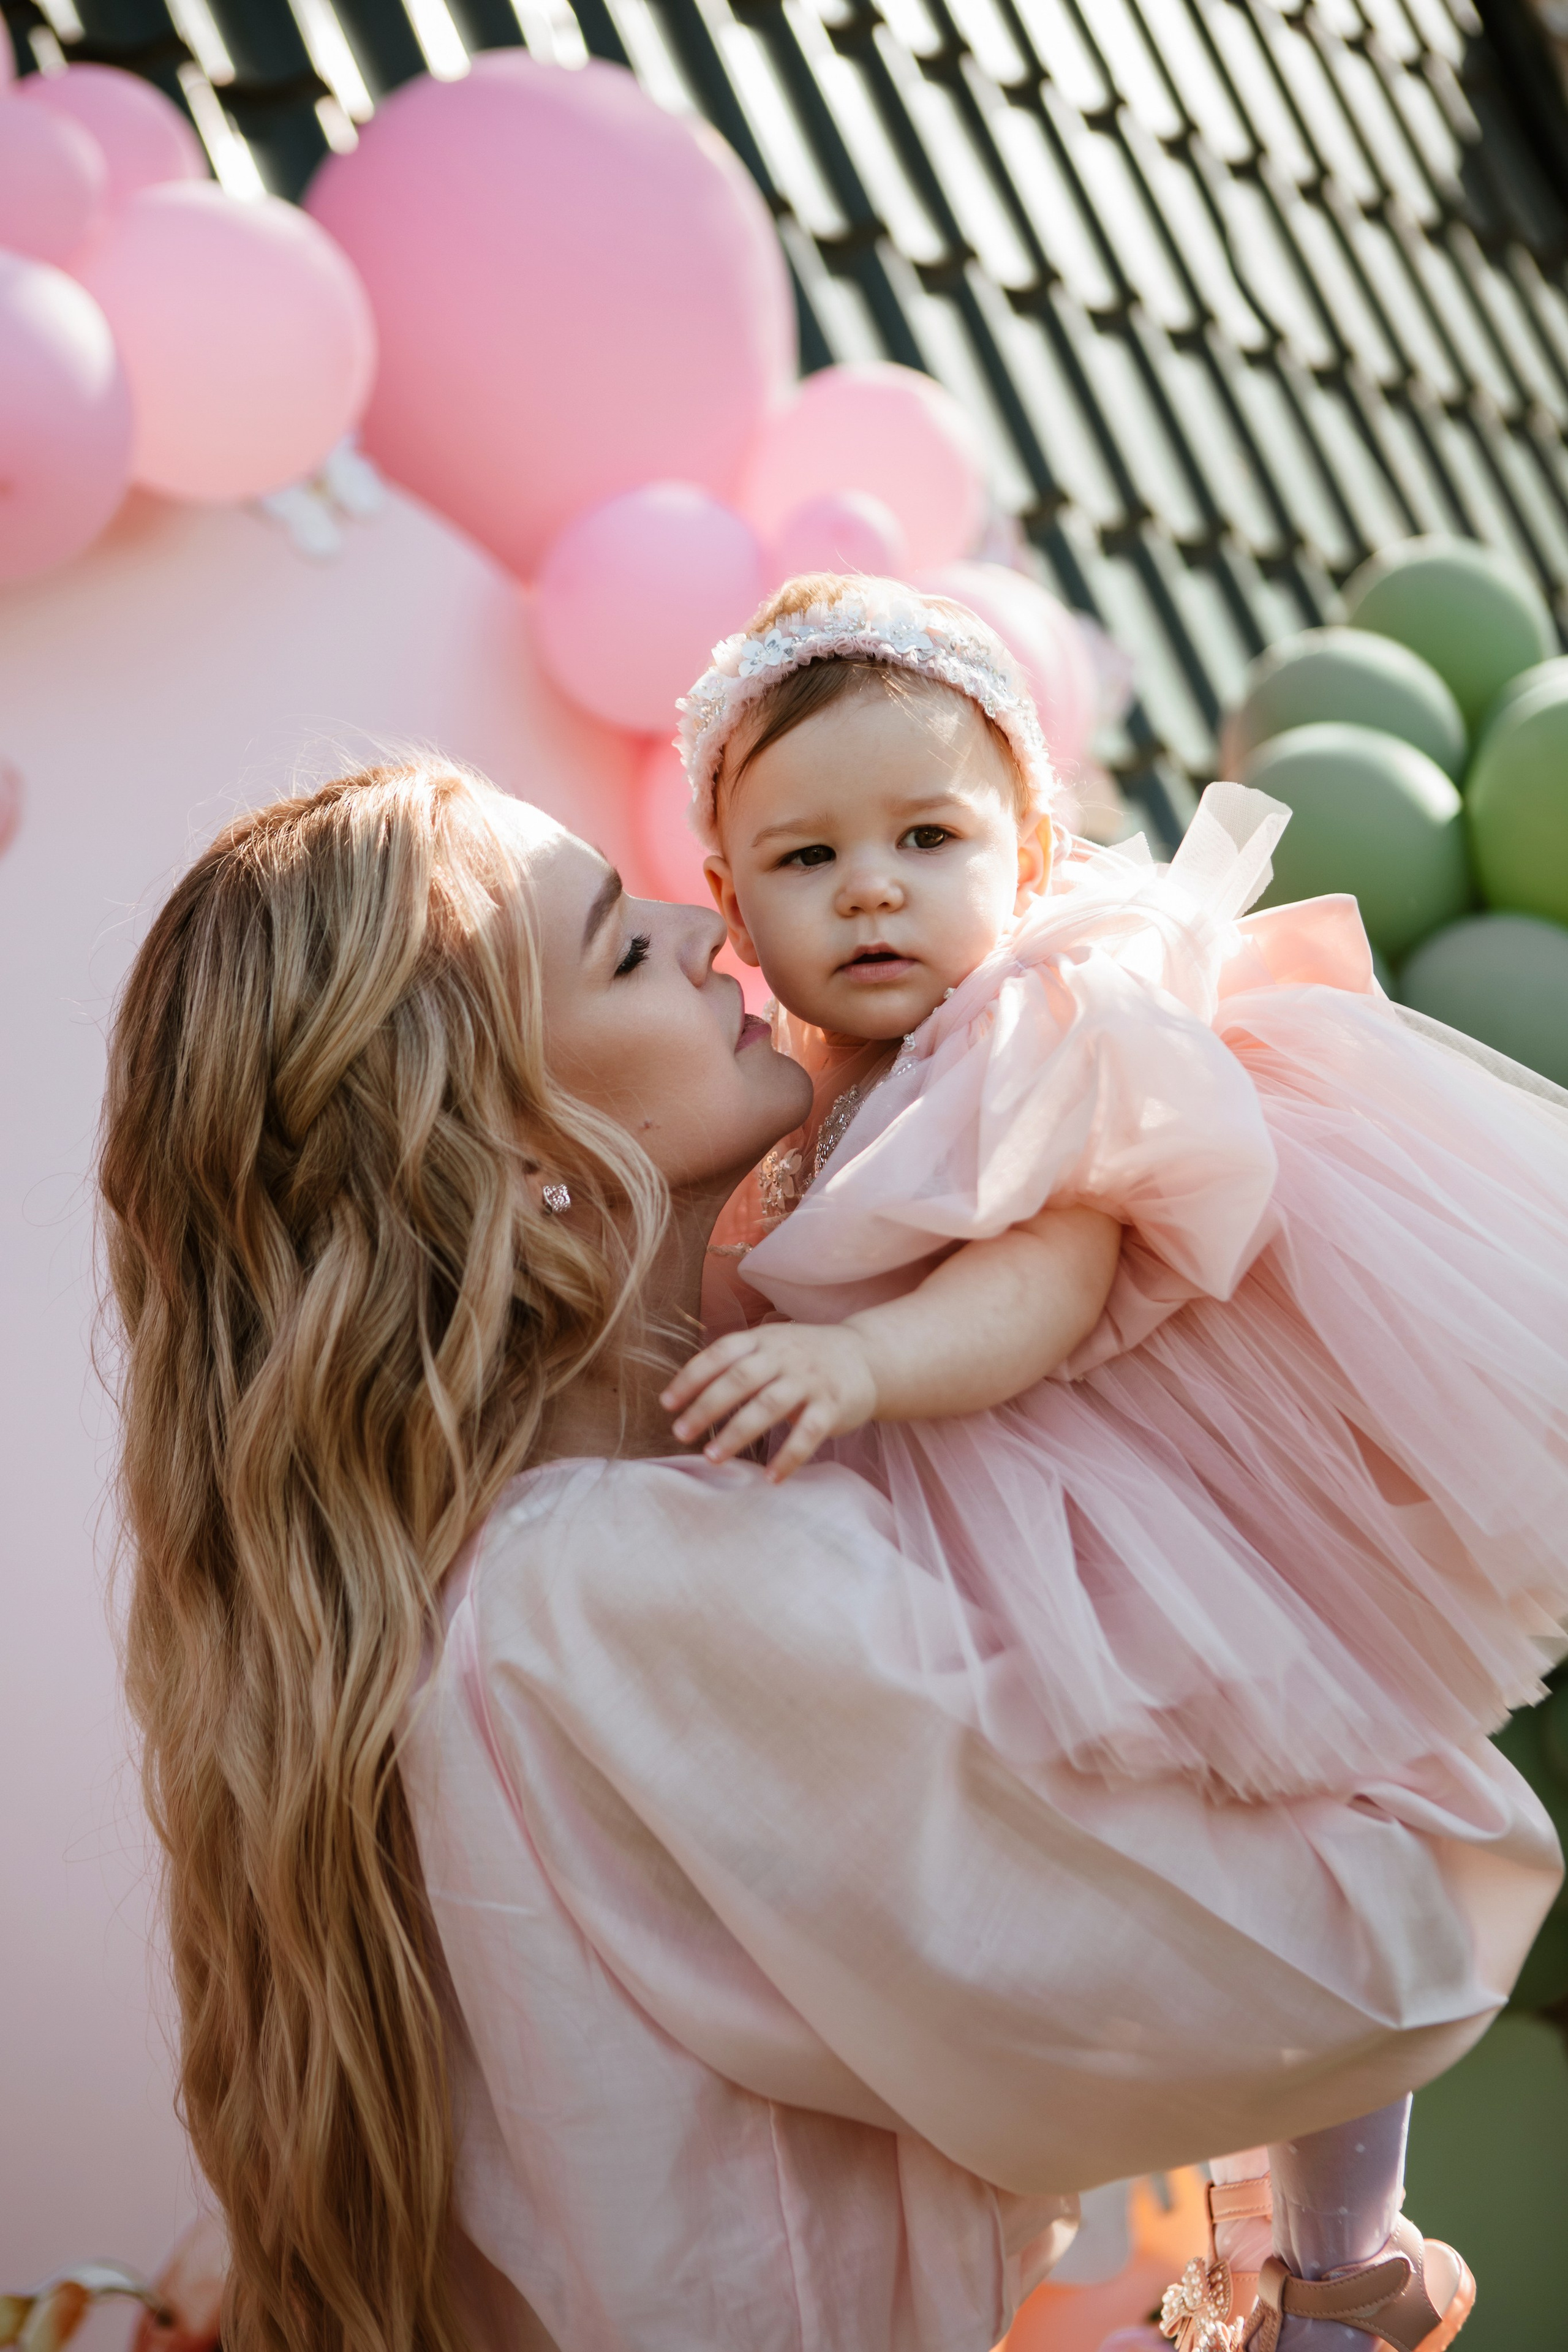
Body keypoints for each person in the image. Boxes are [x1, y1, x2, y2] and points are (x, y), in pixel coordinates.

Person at [99, 763, 1558, 2352]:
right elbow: (1366, 1967)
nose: (694, 924)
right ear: (515, 1159)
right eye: (617, 949)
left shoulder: (505, 1579)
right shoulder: (614, 1587)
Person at [662, 574, 1568, 2348]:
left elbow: (1048, 1275)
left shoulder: (1040, 1023)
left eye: (928, 835)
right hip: (969, 1509)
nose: (870, 886)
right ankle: (1250, 2246)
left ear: (1029, 843)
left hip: (1128, 1489)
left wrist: (859, 1360)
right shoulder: (786, 1105)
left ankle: (1341, 2247)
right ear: (729, 905)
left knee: (1294, 1820)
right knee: (1148, 1892)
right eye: (805, 857)